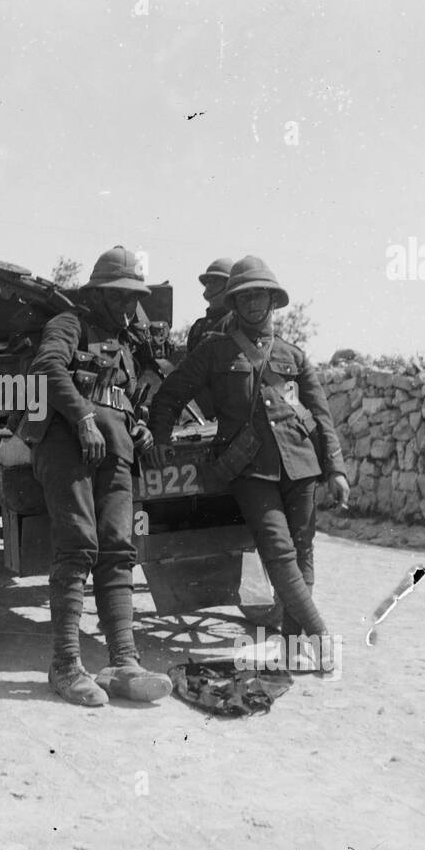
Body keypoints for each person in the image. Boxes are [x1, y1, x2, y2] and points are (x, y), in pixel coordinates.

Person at [149, 256, 349, 670]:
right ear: (234, 302)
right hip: (249, 469)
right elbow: (169, 395)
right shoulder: (214, 351)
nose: (253, 303)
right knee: (278, 553)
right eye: (244, 296)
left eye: (260, 295)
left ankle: (294, 648)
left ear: (272, 299)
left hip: (302, 466)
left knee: (303, 551)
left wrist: (336, 470)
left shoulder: (294, 356)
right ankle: (321, 636)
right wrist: (161, 441)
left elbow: (321, 415)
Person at [22, 246, 173, 707]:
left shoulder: (126, 344)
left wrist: (138, 422)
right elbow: (46, 368)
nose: (129, 306)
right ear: (98, 294)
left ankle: (123, 662)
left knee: (117, 545)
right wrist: (85, 418)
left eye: (133, 298)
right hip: (66, 443)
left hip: (116, 450)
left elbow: (125, 396)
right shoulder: (70, 324)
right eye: (120, 297)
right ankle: (65, 666)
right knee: (77, 543)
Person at [185, 256, 235, 352]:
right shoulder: (198, 327)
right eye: (207, 281)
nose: (208, 285)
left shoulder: (234, 323)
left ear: (229, 286)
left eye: (214, 281)